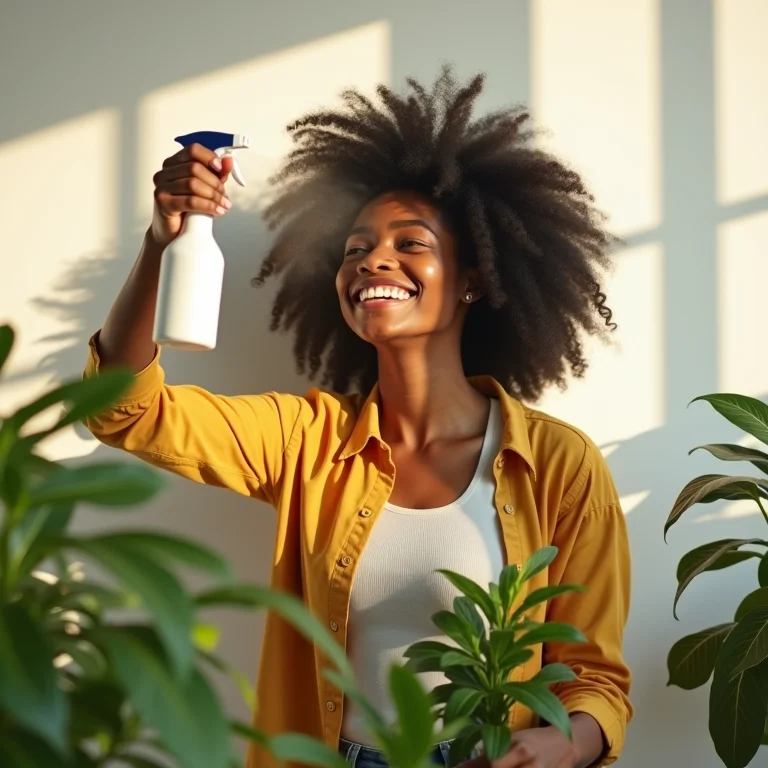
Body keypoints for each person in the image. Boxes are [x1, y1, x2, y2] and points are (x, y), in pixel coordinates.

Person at [83, 68, 632, 768]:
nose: (374, 257)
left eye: (410, 243)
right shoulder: (308, 441)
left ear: (473, 278)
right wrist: (163, 242)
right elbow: (127, 411)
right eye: (356, 248)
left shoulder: (556, 464)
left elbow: (598, 681)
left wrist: (562, 743)